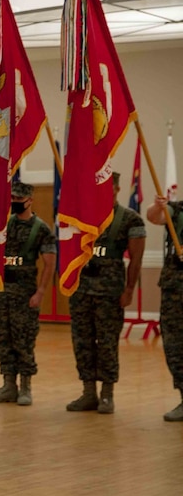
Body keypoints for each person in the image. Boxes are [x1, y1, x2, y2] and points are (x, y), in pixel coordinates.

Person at [66, 172, 145, 415]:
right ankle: (88, 392)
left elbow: (136, 259)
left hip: (110, 292)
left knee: (108, 343)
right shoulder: (81, 217)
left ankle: (107, 394)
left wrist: (129, 289)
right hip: (81, 291)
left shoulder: (130, 219)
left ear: (117, 189)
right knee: (82, 342)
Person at [0, 181, 57, 406]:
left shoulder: (41, 229)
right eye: (12, 199)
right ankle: (8, 385)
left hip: (24, 294)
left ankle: (25, 387)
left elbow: (49, 263)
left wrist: (41, 292)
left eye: (18, 200)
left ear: (29, 200)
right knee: (1, 339)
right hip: (1, 292)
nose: (14, 203)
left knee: (23, 340)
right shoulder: (4, 226)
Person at [144, 194, 183, 421]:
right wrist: (158, 205)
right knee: (175, 347)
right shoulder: (177, 210)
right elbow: (154, 217)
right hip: (174, 290)